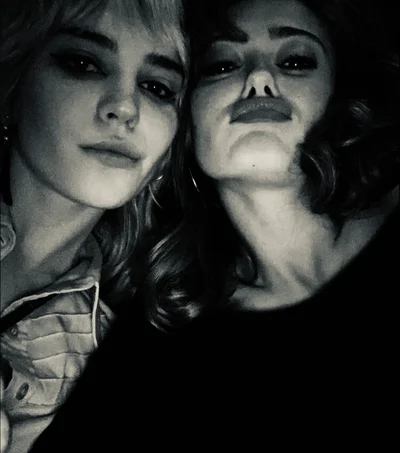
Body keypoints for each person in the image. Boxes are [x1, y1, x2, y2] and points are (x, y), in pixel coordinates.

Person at [28, 0, 399, 451]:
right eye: (222, 65)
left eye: (296, 61)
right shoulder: (154, 343)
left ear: (340, 92)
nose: (259, 78)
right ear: (186, 122)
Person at [0, 0, 188, 451]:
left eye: (157, 87)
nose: (125, 107)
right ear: (13, 86)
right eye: (83, 63)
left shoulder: (117, 366)